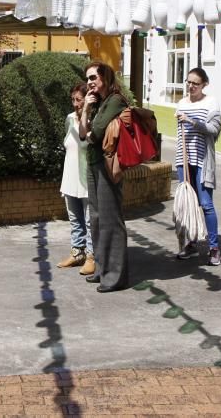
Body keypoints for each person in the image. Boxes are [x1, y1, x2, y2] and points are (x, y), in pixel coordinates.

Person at [79, 61, 129, 293]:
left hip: (109, 165)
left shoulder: (115, 100)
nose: (89, 83)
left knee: (111, 220)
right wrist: (87, 111)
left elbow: (96, 132)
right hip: (93, 163)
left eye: (93, 78)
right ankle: (101, 269)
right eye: (87, 78)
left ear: (105, 78)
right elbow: (85, 134)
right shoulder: (98, 103)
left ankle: (115, 276)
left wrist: (90, 132)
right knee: (97, 219)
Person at [174, 67, 221, 266]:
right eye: (188, 81)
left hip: (202, 160)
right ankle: (191, 244)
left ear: (204, 84)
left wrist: (192, 122)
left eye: (195, 83)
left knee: (205, 204)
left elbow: (214, 129)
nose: (190, 86)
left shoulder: (211, 103)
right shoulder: (181, 103)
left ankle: (214, 248)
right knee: (188, 203)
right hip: (183, 159)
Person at [57, 83, 94, 275]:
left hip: (86, 178)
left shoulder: (92, 120)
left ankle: (91, 256)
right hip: (70, 176)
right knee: (74, 219)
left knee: (89, 220)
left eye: (78, 100)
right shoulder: (69, 119)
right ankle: (77, 252)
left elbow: (84, 141)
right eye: (73, 100)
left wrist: (86, 111)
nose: (75, 104)